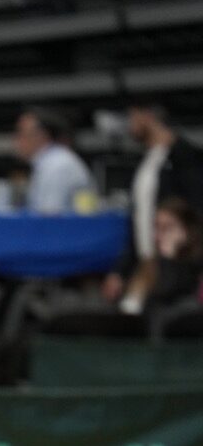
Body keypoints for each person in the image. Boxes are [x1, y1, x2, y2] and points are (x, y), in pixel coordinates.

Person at [102, 104, 203, 305]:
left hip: (179, 265)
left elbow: (196, 211)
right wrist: (120, 271)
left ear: (146, 116)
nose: (129, 125)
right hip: (146, 263)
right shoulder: (145, 162)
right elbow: (137, 220)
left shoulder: (184, 157)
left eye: (132, 117)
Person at [13, 107, 95, 214]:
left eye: (21, 133)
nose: (16, 140)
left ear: (40, 135)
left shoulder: (57, 165)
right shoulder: (49, 162)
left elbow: (49, 217)